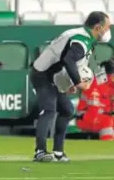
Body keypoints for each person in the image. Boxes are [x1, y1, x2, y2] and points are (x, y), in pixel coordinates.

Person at [30, 11, 111, 162]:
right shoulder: (81, 40)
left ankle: (58, 152)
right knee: (49, 110)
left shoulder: (81, 36)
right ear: (98, 27)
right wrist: (78, 82)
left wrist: (69, 82)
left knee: (67, 110)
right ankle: (40, 152)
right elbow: (68, 60)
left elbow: (66, 59)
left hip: (53, 75)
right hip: (43, 74)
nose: (108, 31)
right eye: (107, 27)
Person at [76, 59, 114, 140]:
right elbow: (94, 110)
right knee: (107, 121)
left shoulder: (110, 86)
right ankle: (107, 146)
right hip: (87, 118)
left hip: (96, 117)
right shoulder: (95, 85)